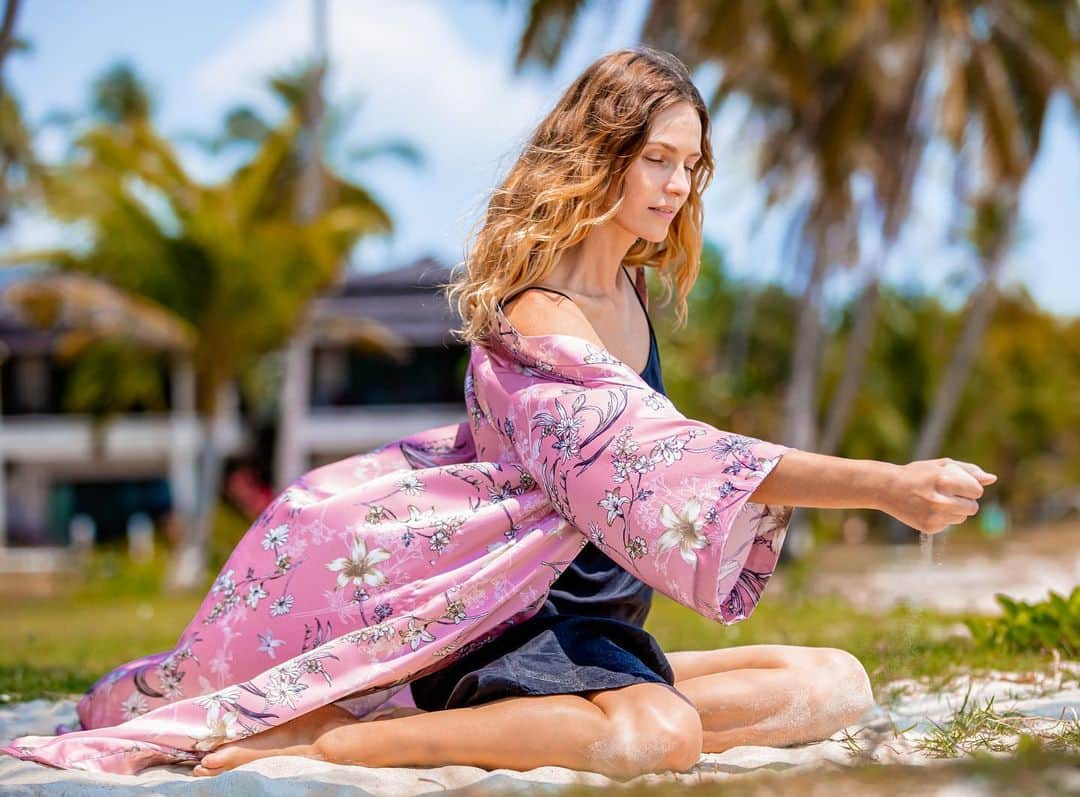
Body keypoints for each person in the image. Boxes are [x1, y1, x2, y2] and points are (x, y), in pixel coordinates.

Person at [3, 46, 995, 779]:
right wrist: (884, 485)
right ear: (600, 155)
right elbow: (665, 457)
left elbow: (660, 467)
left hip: (593, 618)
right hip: (505, 615)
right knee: (662, 736)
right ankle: (340, 737)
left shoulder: (629, 297)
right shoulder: (538, 317)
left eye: (689, 164)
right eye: (656, 158)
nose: (677, 183)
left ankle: (523, 709)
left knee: (832, 679)